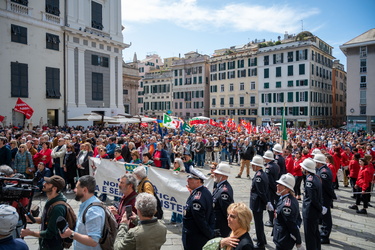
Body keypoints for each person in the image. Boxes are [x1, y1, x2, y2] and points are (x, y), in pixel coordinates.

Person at [20, 175, 68, 249]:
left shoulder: (57, 208)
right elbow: (48, 219)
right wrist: (34, 219)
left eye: (48, 184)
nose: (44, 184)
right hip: (45, 244)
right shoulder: (51, 200)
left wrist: (30, 233)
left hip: (51, 246)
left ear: (54, 188)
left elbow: (50, 233)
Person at [60, 175, 105, 250]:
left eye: (77, 188)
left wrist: (71, 234)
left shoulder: (93, 211)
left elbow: (93, 241)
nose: (74, 190)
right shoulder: (86, 204)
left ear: (84, 190)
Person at [182, 170, 214, 250]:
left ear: (198, 181)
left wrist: (210, 234)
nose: (187, 180)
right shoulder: (205, 191)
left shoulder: (197, 199)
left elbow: (200, 221)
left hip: (194, 239)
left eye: (190, 179)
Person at [273, 173, 303, 250]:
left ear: (287, 189)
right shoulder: (289, 199)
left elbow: (292, 225)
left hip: (283, 239)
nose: (277, 185)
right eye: (278, 184)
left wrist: (298, 242)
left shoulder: (286, 205)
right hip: (282, 236)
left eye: (281, 185)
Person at [300, 158, 325, 250]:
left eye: (303, 168)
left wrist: (320, 208)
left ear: (306, 169)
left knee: (310, 236)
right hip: (314, 211)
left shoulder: (309, 180)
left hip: (310, 211)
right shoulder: (315, 177)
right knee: (315, 234)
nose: (301, 169)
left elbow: (312, 199)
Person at [313, 153, 335, 244]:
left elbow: (326, 187)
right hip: (322, 196)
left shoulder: (324, 172)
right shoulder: (321, 170)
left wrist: (333, 196)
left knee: (326, 216)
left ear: (319, 162)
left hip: (324, 197)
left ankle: (325, 235)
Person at [249, 155, 269, 249]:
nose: (252, 166)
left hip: (257, 203)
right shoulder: (261, 174)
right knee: (259, 222)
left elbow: (261, 192)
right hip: (258, 202)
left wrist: (266, 202)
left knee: (258, 223)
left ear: (257, 166)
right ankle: (262, 238)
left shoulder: (258, 176)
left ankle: (261, 243)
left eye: (253, 165)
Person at [212, 163, 234, 237]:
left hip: (221, 226)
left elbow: (226, 211)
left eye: (217, 173)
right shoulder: (219, 186)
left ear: (224, 176)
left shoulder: (224, 191)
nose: (215, 174)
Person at [263, 150, 279, 228]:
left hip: (270, 188)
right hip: (275, 186)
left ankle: (271, 220)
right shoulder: (276, 165)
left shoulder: (268, 167)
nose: (264, 159)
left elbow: (268, 180)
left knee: (270, 204)